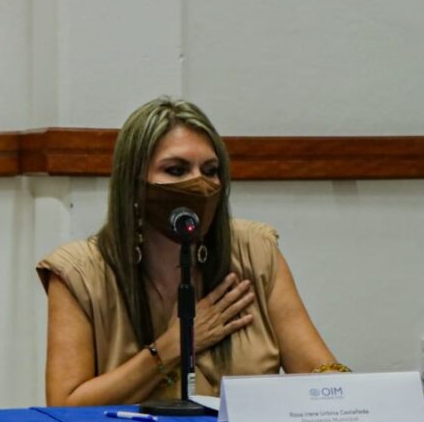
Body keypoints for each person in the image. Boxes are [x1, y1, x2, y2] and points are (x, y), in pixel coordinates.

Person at [38, 97, 347, 406]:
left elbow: (315, 368)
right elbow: (66, 405)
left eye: (210, 170)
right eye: (176, 170)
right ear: (133, 185)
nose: (199, 184)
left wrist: (343, 392)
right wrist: (173, 346)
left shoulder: (256, 252)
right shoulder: (79, 272)